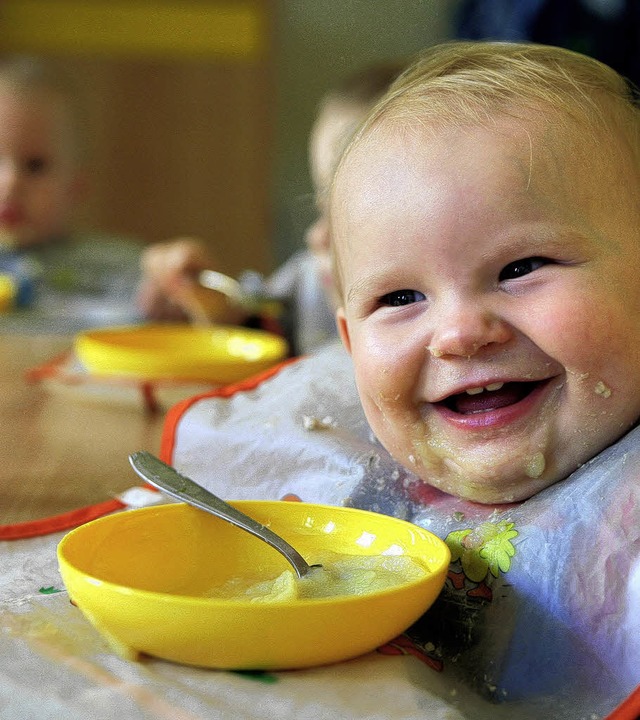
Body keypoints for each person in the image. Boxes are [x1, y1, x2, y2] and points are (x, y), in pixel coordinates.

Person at [330, 40, 640, 506]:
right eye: (400, 298)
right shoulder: (321, 491)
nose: (458, 335)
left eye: (520, 268)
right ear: (350, 343)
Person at [137, 63, 403, 355]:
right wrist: (211, 306)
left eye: (350, 214)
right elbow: (259, 332)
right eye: (321, 208)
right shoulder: (308, 281)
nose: (317, 236)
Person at [0, 55, 143, 332]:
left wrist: (172, 287)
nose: (10, 183)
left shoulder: (118, 268)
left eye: (35, 166)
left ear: (75, 186)